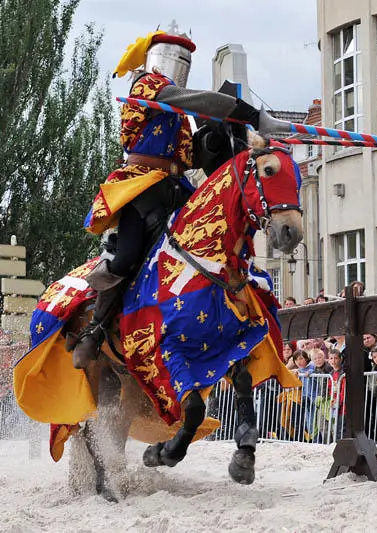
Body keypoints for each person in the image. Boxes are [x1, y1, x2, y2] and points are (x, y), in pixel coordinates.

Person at [70, 24, 285, 368]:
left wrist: (216, 137)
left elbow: (190, 156)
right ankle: (95, 329)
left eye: (184, 60)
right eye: (174, 57)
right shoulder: (147, 86)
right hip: (141, 186)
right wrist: (243, 110)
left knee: (214, 241)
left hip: (176, 188)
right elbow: (196, 101)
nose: (178, 66)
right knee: (126, 258)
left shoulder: (178, 117)